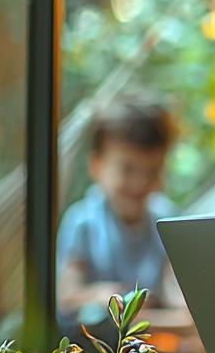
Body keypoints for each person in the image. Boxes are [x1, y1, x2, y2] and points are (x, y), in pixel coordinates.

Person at [57, 91, 184, 317]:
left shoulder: (166, 219)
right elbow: (66, 297)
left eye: (153, 171)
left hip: (152, 342)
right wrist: (100, 296)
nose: (140, 183)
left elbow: (172, 287)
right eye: (127, 169)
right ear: (96, 165)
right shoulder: (83, 222)